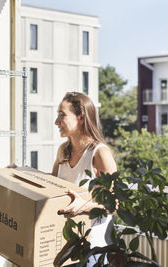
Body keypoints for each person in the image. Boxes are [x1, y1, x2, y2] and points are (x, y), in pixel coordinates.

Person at [52, 92, 117, 266]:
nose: (56, 122)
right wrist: (20, 174)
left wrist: (85, 207)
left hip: (93, 251)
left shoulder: (100, 153)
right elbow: (49, 190)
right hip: (66, 246)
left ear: (81, 117)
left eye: (62, 115)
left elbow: (115, 205)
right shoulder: (62, 152)